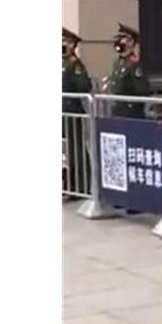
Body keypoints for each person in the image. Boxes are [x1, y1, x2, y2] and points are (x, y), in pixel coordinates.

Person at [62, 27, 92, 197]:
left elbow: (84, 87)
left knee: (76, 150)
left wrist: (74, 62)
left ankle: (82, 185)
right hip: (61, 113)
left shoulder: (76, 66)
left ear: (73, 45)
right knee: (64, 152)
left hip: (72, 111)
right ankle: (68, 183)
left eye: (66, 43)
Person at [105, 24, 150, 118]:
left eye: (122, 38)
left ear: (130, 42)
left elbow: (142, 90)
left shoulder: (134, 64)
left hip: (130, 110)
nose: (118, 41)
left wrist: (132, 104)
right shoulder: (118, 62)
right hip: (118, 107)